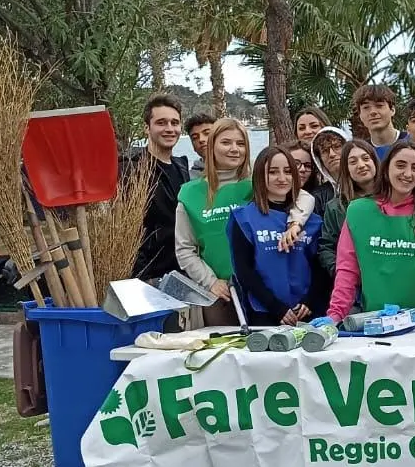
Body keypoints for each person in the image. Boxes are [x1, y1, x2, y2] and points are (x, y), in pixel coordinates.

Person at [173, 118, 314, 326]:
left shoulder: (256, 183)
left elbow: (303, 197)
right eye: (226, 142)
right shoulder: (190, 193)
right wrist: (210, 282)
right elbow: (184, 248)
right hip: (223, 292)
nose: (234, 149)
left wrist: (295, 224)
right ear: (212, 146)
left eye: (240, 144)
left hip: (264, 291)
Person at [314, 140, 415, 326]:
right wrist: (335, 314)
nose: (407, 174)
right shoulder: (358, 212)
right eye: (400, 165)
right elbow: (347, 270)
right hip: (375, 324)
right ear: (386, 168)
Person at [227, 146, 326, 326]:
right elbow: (244, 271)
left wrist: (309, 301)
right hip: (265, 312)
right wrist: (275, 307)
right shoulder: (243, 218)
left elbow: (320, 267)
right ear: (259, 176)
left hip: (306, 312)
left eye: (288, 171)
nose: (282, 178)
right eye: (273, 172)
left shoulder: (312, 221)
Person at [128, 95, 192, 280]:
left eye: (175, 123)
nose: (170, 129)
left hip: (183, 271)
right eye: (161, 123)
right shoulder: (133, 169)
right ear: (147, 128)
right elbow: (130, 231)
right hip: (150, 275)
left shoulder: (181, 167)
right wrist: (142, 276)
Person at [316, 138, 378, 280]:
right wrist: (343, 274)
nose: (361, 165)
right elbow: (326, 247)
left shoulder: (393, 198)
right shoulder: (336, 207)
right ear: (346, 168)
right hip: (354, 289)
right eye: (353, 162)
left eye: (365, 158)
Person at [351, 84, 407, 159]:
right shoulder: (360, 153)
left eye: (379, 106)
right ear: (360, 115)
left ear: (392, 110)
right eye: (366, 107)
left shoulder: (413, 142)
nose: (372, 112)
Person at [309, 127, 350, 210]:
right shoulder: (318, 197)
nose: (331, 154)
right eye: (324, 151)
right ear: (319, 159)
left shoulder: (366, 184)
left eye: (337, 147)